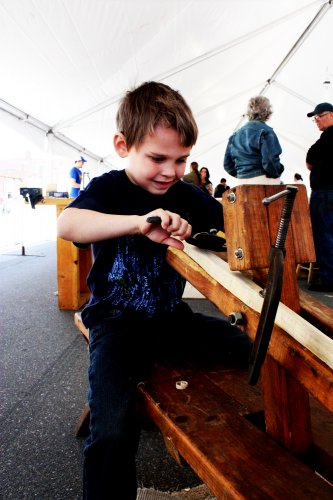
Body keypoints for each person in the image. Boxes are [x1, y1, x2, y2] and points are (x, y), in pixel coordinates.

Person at [57, 81, 251, 500]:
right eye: (158, 158)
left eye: (181, 159)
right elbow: (68, 226)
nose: (171, 171)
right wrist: (138, 221)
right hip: (115, 324)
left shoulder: (185, 194)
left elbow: (229, 227)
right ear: (123, 145)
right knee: (111, 432)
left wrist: (202, 233)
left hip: (169, 318)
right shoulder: (109, 188)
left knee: (258, 350)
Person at [223, 95, 284, 184]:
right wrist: (278, 172)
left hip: (241, 182)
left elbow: (227, 165)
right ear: (267, 111)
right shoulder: (266, 131)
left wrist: (242, 174)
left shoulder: (235, 135)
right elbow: (270, 161)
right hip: (263, 180)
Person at [306, 101, 333, 292]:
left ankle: (329, 278)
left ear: (331, 114)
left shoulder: (328, 137)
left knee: (323, 234)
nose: (317, 120)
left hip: (325, 193)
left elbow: (309, 161)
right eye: (315, 118)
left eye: (320, 116)